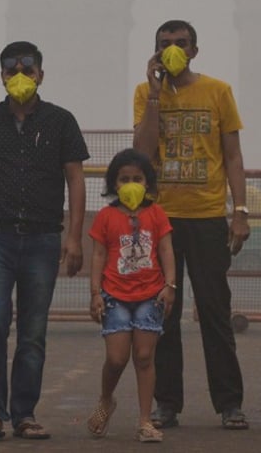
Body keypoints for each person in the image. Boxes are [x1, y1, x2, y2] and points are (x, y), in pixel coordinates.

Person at [0, 41, 89, 442]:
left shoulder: (61, 121)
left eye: (28, 69)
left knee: (33, 329)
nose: (20, 76)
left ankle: (24, 414)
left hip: (44, 239)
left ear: (42, 75)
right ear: (2, 76)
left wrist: (75, 238)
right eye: (12, 70)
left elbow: (76, 179)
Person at [133, 19, 250, 430]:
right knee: (164, 313)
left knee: (215, 313)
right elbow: (142, 155)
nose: (172, 50)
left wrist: (240, 211)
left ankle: (229, 403)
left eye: (180, 43)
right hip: (161, 220)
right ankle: (167, 403)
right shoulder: (145, 94)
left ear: (194, 50)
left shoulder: (218, 91)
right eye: (165, 44)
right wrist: (153, 96)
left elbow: (233, 156)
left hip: (206, 217)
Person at [86, 149, 177, 443]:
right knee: (116, 358)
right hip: (115, 296)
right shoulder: (106, 216)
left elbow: (165, 250)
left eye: (137, 178)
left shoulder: (156, 214)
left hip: (151, 295)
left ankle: (145, 420)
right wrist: (95, 293)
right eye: (124, 179)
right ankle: (106, 399)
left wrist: (170, 286)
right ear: (114, 184)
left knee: (144, 355)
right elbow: (99, 254)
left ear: (148, 183)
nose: (131, 184)